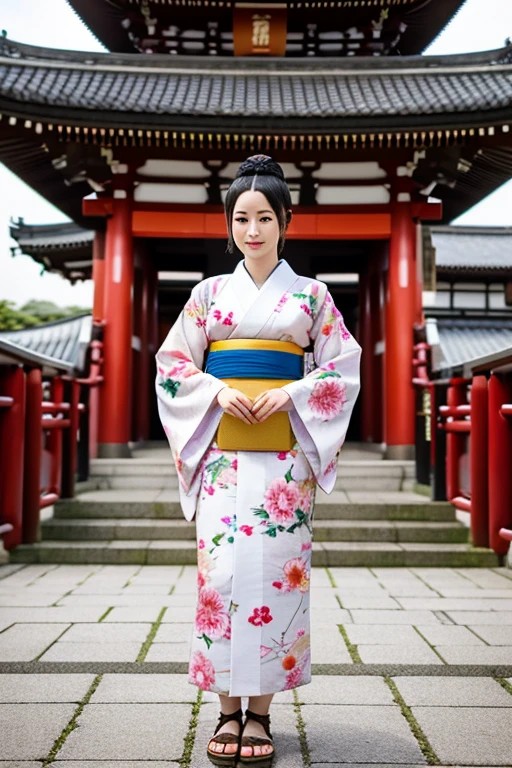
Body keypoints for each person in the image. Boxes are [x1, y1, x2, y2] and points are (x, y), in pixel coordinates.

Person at [155, 155, 361, 767]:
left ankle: (262, 714)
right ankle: (224, 708)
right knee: (219, 580)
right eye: (241, 218)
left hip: (284, 462)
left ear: (285, 222)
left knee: (277, 576)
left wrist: (294, 391)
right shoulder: (207, 295)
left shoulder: (312, 296)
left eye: (265, 217)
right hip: (222, 454)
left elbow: (342, 369)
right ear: (229, 225)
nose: (253, 230)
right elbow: (173, 366)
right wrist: (216, 389)